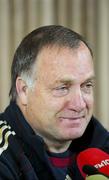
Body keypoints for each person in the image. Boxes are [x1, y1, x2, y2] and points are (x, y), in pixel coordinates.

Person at [0, 25, 109, 180]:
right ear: (24, 90)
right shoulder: (4, 159)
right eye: (63, 87)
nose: (79, 105)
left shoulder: (101, 146)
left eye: (87, 85)